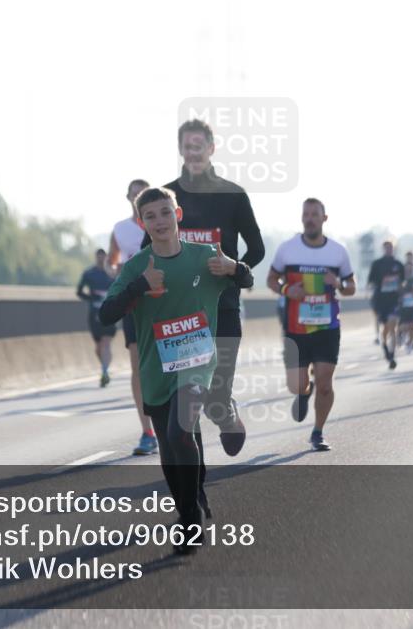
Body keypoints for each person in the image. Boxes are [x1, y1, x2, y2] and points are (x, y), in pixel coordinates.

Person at [99, 187, 253, 554]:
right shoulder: (138, 266)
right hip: (157, 370)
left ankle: (188, 523)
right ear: (141, 223)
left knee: (180, 430)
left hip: (198, 364)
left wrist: (234, 268)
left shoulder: (204, 257)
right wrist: (139, 287)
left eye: (165, 213)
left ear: (178, 215)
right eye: (150, 216)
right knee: (171, 447)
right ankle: (190, 501)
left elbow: (246, 281)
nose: (159, 221)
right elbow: (106, 313)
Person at [149, 119, 265, 457]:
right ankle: (193, 488)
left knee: (214, 396)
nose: (193, 152)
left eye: (199, 146)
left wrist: (233, 268)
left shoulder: (233, 195)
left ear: (211, 148)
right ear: (180, 150)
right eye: (187, 147)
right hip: (178, 315)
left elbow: (256, 249)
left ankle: (225, 410)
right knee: (185, 403)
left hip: (223, 306)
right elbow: (148, 250)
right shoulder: (167, 197)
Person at [267, 198, 355, 451]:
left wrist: (337, 283)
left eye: (315, 214)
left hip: (327, 328)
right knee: (296, 385)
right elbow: (271, 279)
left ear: (324, 219)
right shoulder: (287, 249)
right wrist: (286, 289)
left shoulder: (338, 251)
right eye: (306, 214)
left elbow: (351, 287)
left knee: (326, 383)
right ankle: (304, 392)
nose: (309, 218)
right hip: (296, 328)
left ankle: (318, 431)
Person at [108, 179, 157, 455]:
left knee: (167, 363)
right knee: (138, 365)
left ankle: (175, 424)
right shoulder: (121, 229)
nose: (138, 196)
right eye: (134, 193)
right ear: (128, 197)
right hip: (134, 302)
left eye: (143, 191)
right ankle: (147, 432)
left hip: (163, 301)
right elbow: (112, 260)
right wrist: (115, 271)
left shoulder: (163, 222)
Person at [77, 249, 116, 387]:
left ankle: (105, 371)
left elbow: (121, 289)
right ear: (96, 257)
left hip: (110, 312)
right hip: (94, 314)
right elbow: (79, 291)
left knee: (106, 342)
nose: (100, 259)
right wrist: (91, 298)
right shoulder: (89, 274)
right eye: (98, 257)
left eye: (102, 257)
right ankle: (105, 368)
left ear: (106, 257)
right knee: (99, 347)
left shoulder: (112, 273)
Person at [367, 241, 404, 369]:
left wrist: (398, 287)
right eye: (386, 247)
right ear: (383, 249)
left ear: (394, 249)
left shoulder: (398, 264)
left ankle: (392, 355)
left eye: (391, 247)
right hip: (380, 301)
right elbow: (371, 281)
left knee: (392, 326)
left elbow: (402, 282)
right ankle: (385, 348)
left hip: (393, 300)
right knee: (385, 329)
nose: (389, 249)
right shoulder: (377, 264)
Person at [398, 252, 413, 352]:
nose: (408, 271)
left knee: (412, 326)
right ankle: (401, 334)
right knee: (404, 326)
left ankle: (410, 344)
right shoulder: (401, 280)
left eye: (410, 270)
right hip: (403, 306)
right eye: (407, 270)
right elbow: (397, 291)